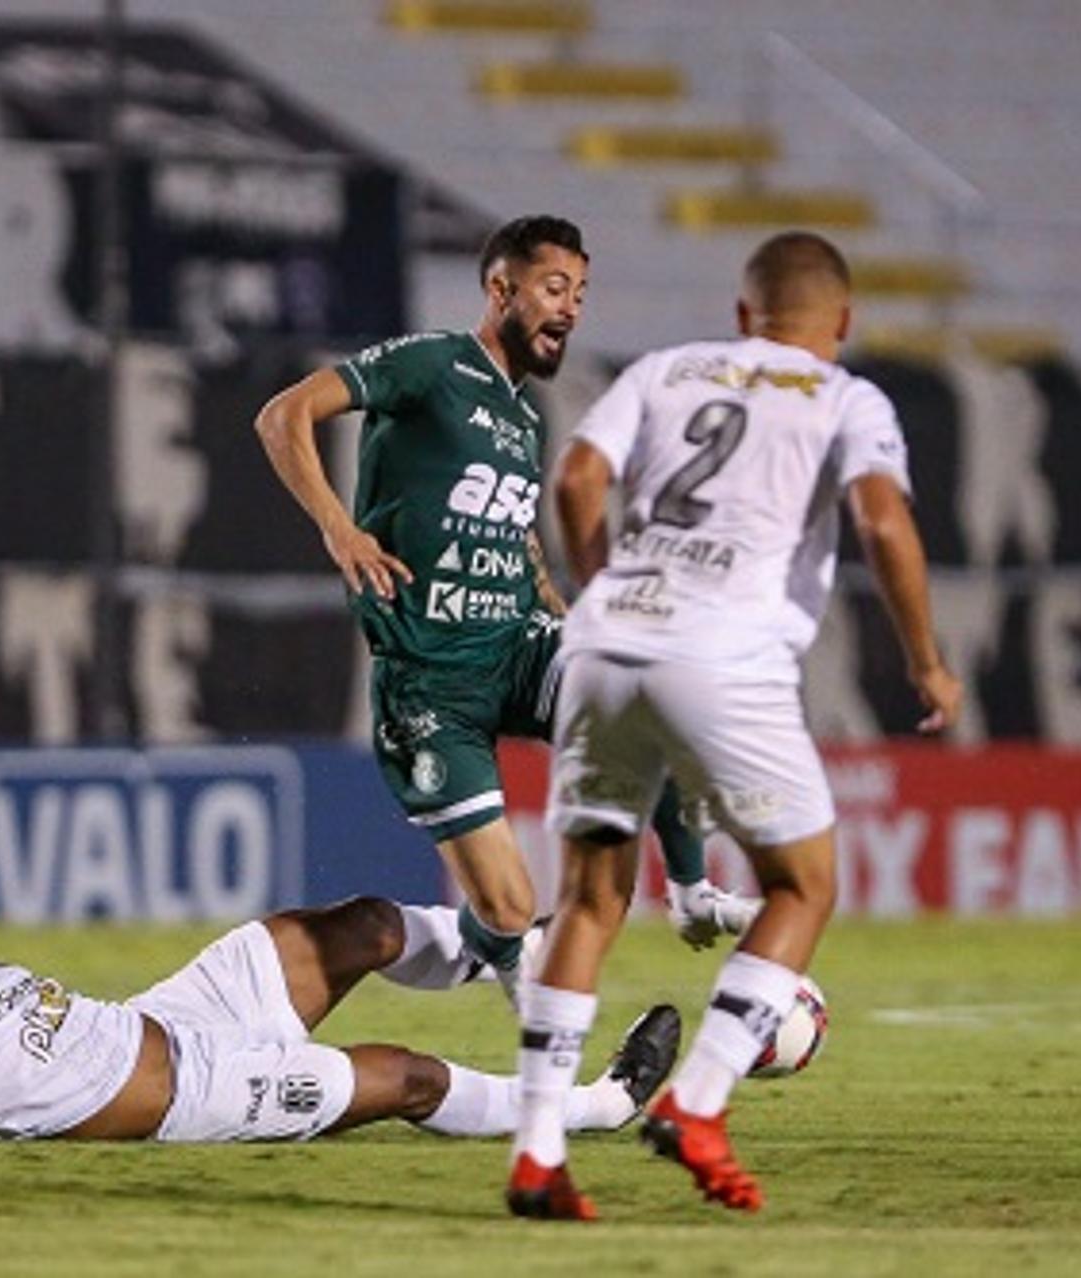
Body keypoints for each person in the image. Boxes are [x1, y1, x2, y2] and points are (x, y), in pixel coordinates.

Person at [505, 231, 963, 1219]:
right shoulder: (847, 397)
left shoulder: (666, 369)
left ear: (745, 314)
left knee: (590, 901)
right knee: (804, 882)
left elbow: (577, 479)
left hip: (603, 647)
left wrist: (605, 596)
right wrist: (926, 660)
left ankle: (538, 1154)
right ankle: (700, 1103)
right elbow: (883, 522)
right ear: (839, 325)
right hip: (724, 656)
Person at [254, 215, 756, 997]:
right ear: (500, 288)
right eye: (554, 288)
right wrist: (339, 530)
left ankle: (691, 893)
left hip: (517, 648)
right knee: (509, 910)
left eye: (580, 294)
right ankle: (469, 948)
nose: (570, 308)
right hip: (430, 685)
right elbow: (281, 416)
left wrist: (552, 596)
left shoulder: (523, 417)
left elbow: (509, 522)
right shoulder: (430, 364)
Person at [0, 842, 681, 1146]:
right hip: (195, 1095)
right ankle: (600, 1108)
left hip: (171, 1019)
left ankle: (502, 951)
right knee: (400, 1077)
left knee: (358, 925)